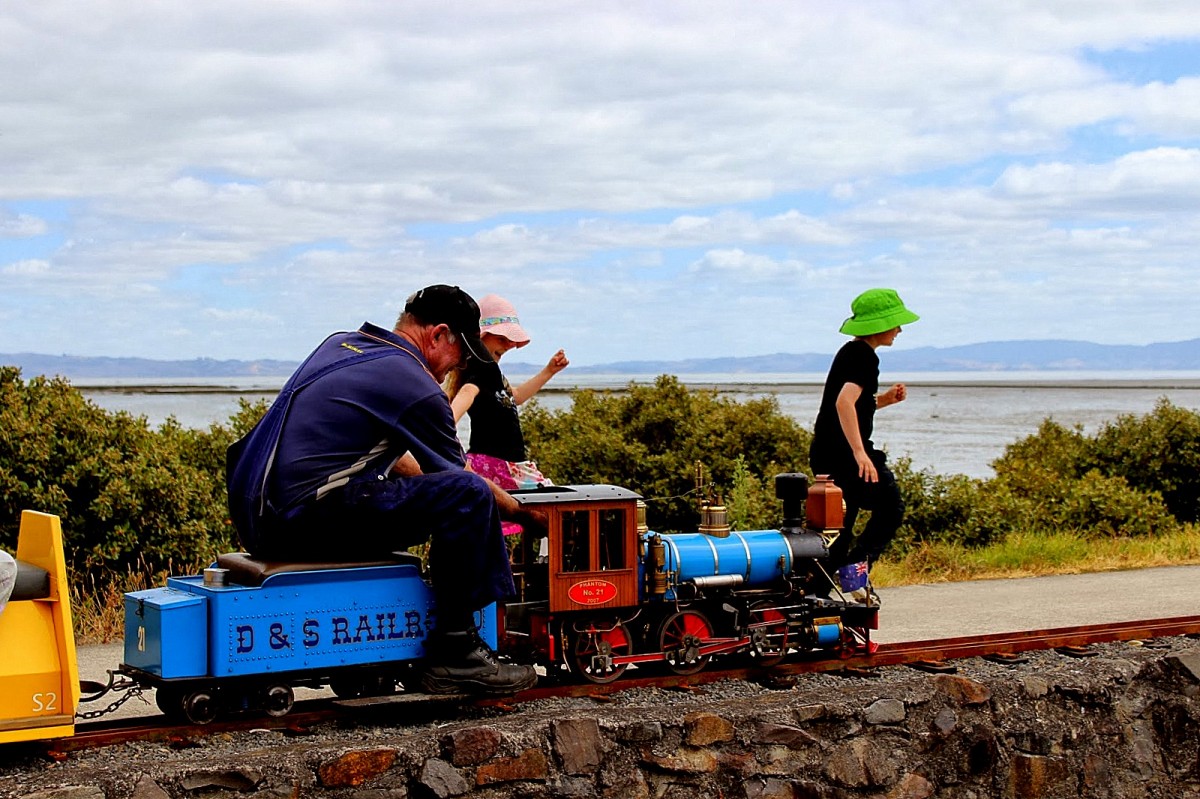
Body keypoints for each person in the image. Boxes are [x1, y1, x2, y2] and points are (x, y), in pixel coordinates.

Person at [225, 284, 538, 696]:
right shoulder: (415, 384)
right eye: (461, 352)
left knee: (427, 487)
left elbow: (398, 461)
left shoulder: (343, 345)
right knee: (467, 495)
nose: (458, 365)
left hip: (257, 516)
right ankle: (457, 651)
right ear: (439, 334)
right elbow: (459, 475)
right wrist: (522, 512)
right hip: (298, 521)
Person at [808, 288, 919, 604]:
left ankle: (816, 595)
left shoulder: (849, 352)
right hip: (846, 457)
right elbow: (844, 403)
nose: (899, 330)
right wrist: (860, 453)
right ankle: (853, 573)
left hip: (826, 454)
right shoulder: (865, 357)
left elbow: (850, 406)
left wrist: (882, 401)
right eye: (896, 323)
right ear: (880, 325)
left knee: (839, 529)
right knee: (891, 508)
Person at [445, 293, 569, 491]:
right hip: (497, 465)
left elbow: (515, 396)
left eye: (511, 340)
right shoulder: (479, 376)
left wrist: (549, 371)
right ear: (480, 339)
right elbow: (455, 409)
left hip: (502, 465)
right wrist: (444, 435)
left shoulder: (493, 376)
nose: (509, 345)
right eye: (502, 338)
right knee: (551, 505)